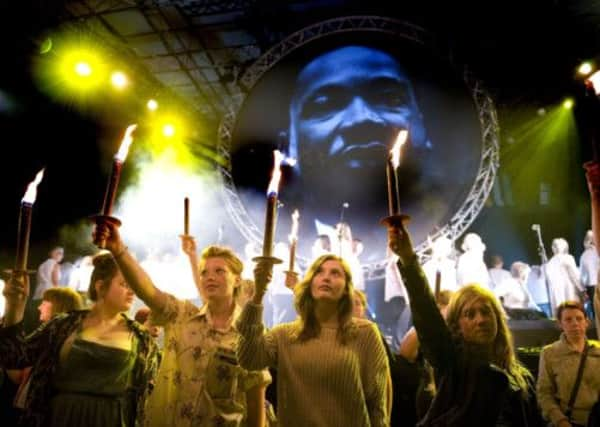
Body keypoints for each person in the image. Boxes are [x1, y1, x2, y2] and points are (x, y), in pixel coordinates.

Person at [93, 220, 270, 427]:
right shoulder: (182, 315)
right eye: (204, 272)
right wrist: (118, 249)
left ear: (237, 280)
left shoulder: (249, 335)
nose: (209, 277)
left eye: (219, 271)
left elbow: (256, 401)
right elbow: (149, 291)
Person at [387, 220, 544, 426]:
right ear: (456, 325)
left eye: (486, 312)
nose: (480, 320)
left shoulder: (521, 376)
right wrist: (408, 260)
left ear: (497, 318)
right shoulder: (452, 363)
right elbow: (428, 317)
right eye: (470, 314)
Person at [0, 253, 160, 427]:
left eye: (133, 285)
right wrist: (14, 305)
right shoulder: (63, 325)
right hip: (62, 417)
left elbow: (151, 393)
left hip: (110, 420)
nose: (132, 291)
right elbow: (14, 357)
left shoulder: (140, 338)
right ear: (100, 286)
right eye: (124, 284)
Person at [236, 254, 391, 427]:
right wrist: (258, 294)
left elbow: (377, 402)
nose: (326, 277)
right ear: (309, 284)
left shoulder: (365, 333)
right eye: (319, 272)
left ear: (347, 288)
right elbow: (248, 359)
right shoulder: (285, 334)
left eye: (335, 273)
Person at [537, 301, 600, 427]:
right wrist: (560, 420)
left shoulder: (597, 351)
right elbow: (544, 393)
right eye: (568, 319)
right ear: (560, 324)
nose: (575, 323)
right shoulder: (550, 353)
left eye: (579, 318)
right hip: (569, 421)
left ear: (586, 322)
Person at [547, 238, 584, 316]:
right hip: (570, 291)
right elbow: (574, 275)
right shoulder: (568, 258)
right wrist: (582, 289)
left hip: (557, 297)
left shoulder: (549, 263)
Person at [579, 230, 599, 319]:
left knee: (596, 310)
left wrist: (583, 289)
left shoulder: (584, 255)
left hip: (591, 286)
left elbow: (582, 275)